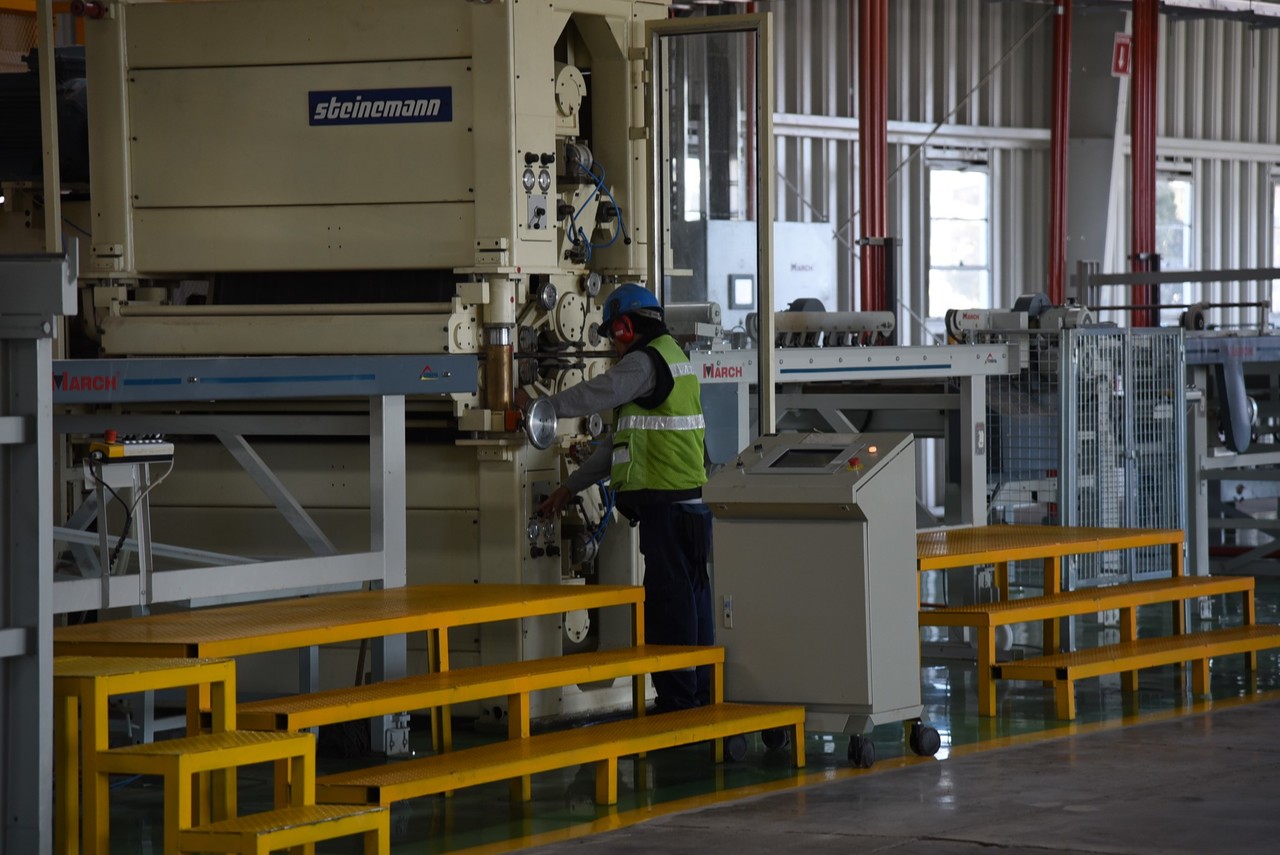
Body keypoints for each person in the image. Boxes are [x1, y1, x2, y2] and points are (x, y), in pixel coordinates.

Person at [517, 283, 714, 712]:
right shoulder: (675, 359)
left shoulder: (645, 362)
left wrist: (545, 408)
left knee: (669, 606)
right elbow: (616, 447)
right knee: (693, 601)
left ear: (626, 327)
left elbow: (598, 392)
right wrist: (569, 487)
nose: (612, 347)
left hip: (666, 507)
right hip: (689, 506)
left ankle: (678, 704)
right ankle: (700, 697)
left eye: (613, 335)